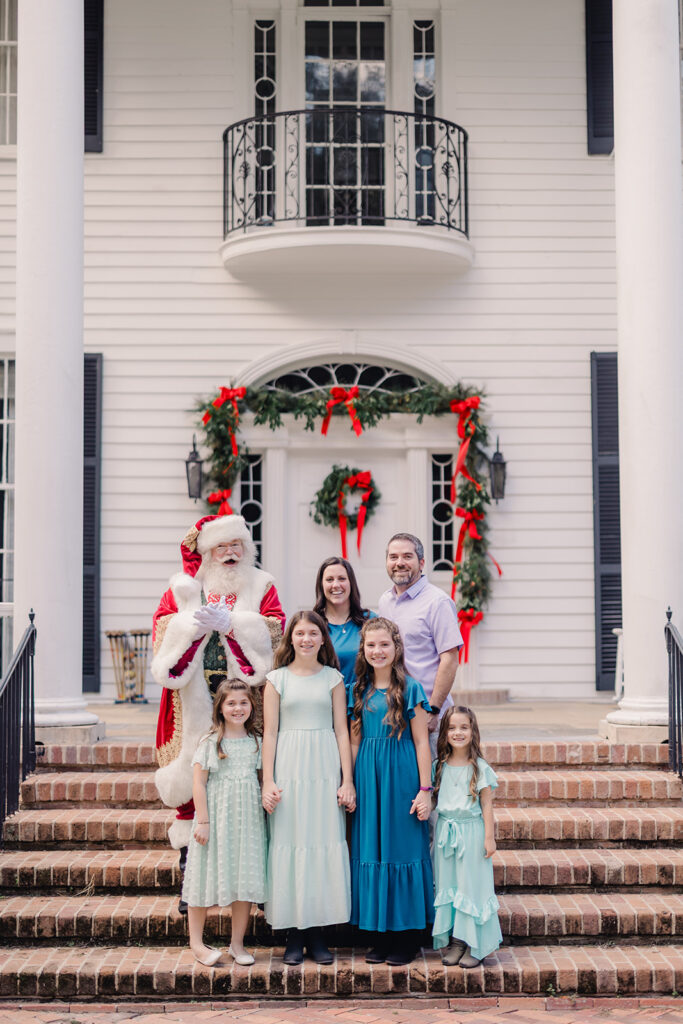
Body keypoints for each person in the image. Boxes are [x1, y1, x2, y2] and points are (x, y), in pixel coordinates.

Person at [151, 513, 285, 908]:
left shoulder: (262, 585)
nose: (229, 553)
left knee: (247, 783)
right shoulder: (184, 588)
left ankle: (252, 883)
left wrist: (234, 624)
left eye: (235, 545)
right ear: (208, 552)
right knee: (192, 783)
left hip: (245, 700)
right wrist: (191, 627)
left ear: (246, 548)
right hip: (193, 700)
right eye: (221, 547)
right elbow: (162, 630)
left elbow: (276, 631)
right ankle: (190, 879)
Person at [261, 610, 355, 965]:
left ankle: (317, 933)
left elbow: (342, 731)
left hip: (324, 769)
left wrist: (347, 780)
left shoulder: (333, 679)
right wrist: (268, 780)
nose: (306, 639)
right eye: (300, 633)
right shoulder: (276, 679)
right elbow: (270, 733)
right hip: (288, 769)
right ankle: (293, 933)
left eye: (313, 633)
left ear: (322, 639)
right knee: (290, 843)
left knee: (320, 844)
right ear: (291, 638)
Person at [349, 617, 434, 966]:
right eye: (371, 645)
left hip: (401, 775)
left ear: (396, 648)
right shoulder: (358, 689)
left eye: (384, 644)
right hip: (368, 777)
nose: (377, 651)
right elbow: (354, 741)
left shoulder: (411, 688)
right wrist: (349, 781)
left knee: (402, 847)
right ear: (363, 649)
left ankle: (406, 937)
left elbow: (422, 742)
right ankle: (379, 934)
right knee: (372, 847)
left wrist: (425, 789)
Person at [182, 679, 267, 966]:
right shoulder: (210, 742)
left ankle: (237, 944)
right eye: (231, 703)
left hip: (247, 821)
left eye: (243, 702)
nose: (237, 708)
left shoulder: (257, 742)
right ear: (220, 707)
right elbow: (198, 783)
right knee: (202, 877)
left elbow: (262, 781)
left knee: (244, 879)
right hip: (215, 819)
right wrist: (203, 821)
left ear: (252, 706)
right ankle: (197, 943)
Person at [431, 705, 502, 968]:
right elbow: (432, 797)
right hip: (446, 835)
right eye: (451, 728)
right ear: (444, 733)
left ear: (473, 731)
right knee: (452, 887)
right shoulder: (438, 766)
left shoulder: (479, 767)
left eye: (464, 727)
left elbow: (487, 805)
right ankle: (457, 942)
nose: (457, 732)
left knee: (471, 888)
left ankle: (477, 944)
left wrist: (489, 837)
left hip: (472, 833)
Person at [378, 533, 463, 750]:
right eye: (393, 557)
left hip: (427, 715)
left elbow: (450, 659)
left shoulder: (438, 602)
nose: (399, 563)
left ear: (421, 562)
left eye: (407, 556)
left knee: (432, 772)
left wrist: (433, 710)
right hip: (394, 714)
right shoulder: (385, 601)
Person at [313, 556, 375, 695]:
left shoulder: (370, 621)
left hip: (364, 701)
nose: (336, 585)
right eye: (329, 580)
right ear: (321, 585)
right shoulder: (313, 624)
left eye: (342, 579)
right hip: (325, 701)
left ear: (351, 583)